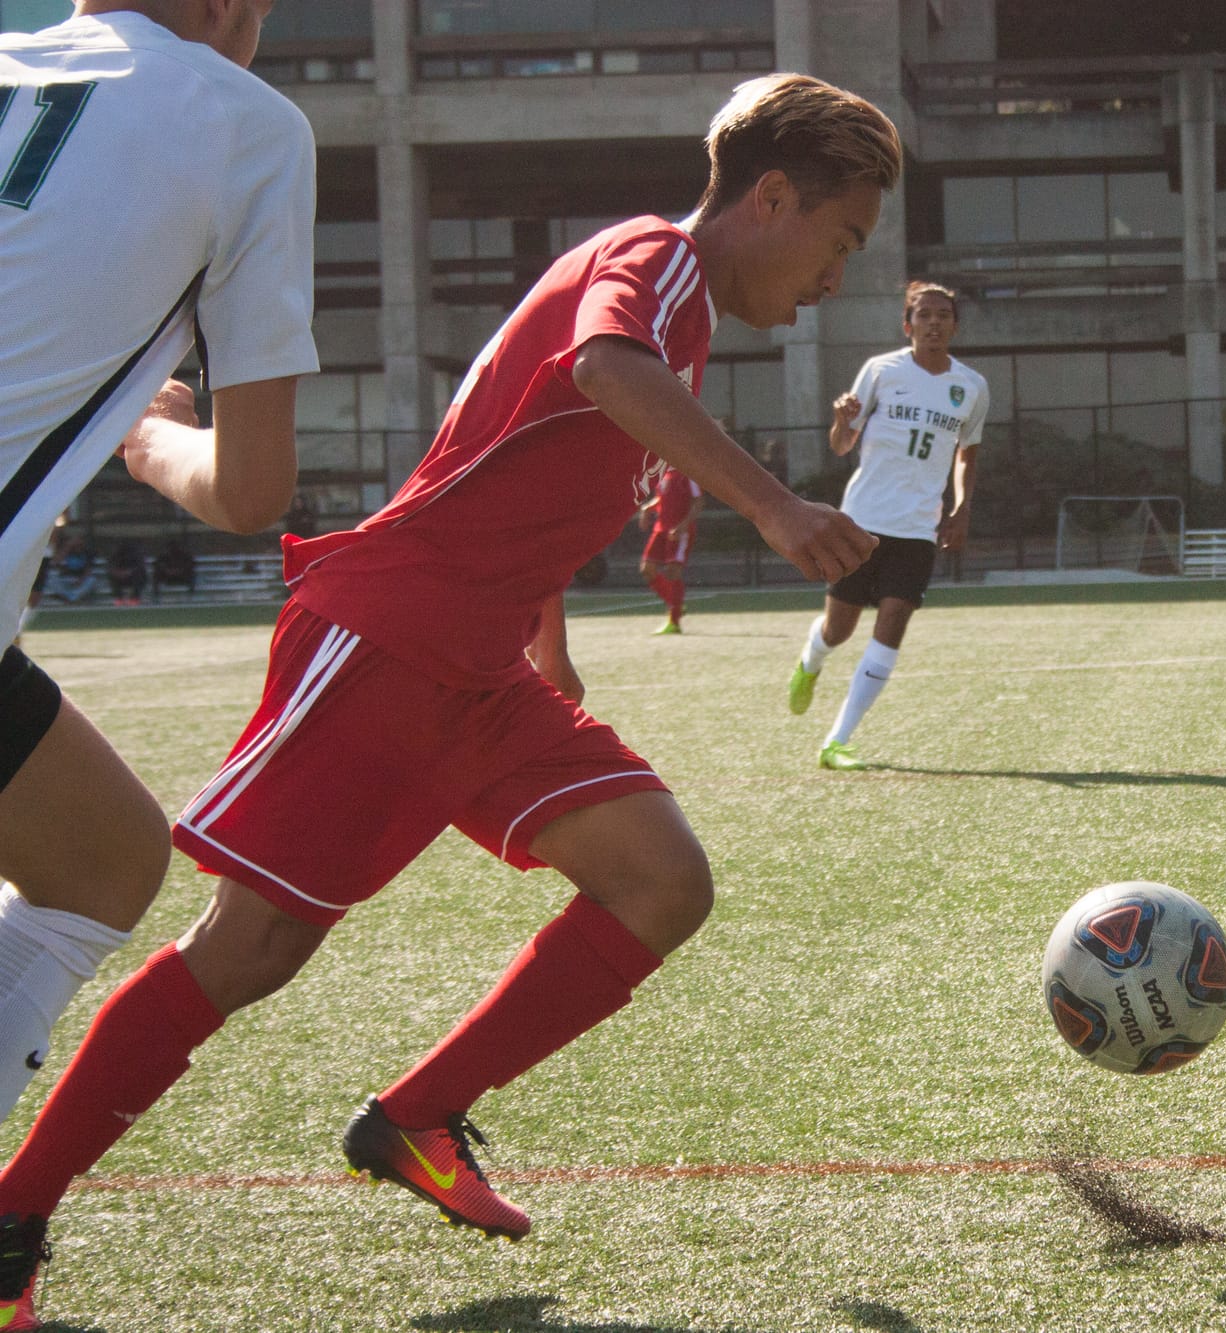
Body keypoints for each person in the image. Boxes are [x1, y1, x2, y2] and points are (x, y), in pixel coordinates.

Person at [0, 71, 897, 1327]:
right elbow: (599, 368)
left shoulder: (681, 314)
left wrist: (550, 642)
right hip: (384, 638)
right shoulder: (656, 261)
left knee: (661, 880)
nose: (834, 277)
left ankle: (414, 1116)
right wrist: (778, 504)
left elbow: (529, 461)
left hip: (477, 669)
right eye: (839, 241)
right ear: (773, 195)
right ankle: (13, 1215)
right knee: (251, 949)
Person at [0, 0, 314, 1178]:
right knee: (97, 871)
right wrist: (144, 437)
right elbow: (250, 490)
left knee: (102, 854)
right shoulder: (247, 126)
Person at [785, 281, 989, 770]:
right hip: (862, 522)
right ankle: (810, 661)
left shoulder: (972, 387)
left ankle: (838, 741)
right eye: (924, 315)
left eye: (943, 315)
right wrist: (840, 421)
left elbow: (968, 456)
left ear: (954, 326)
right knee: (839, 629)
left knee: (893, 622)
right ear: (908, 324)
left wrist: (961, 508)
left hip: (919, 527)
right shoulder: (881, 370)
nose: (934, 322)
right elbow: (841, 444)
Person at [638, 465, 704, 634]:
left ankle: (674, 622)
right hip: (660, 529)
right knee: (647, 569)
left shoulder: (688, 471)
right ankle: (676, 604)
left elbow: (698, 502)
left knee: (672, 571)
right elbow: (663, 498)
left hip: (679, 531)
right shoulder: (663, 472)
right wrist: (647, 508)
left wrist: (683, 526)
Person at [105, 542, 148, 606]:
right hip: (120, 578)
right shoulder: (115, 556)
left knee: (139, 576)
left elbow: (140, 567)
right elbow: (111, 567)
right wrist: (118, 572)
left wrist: (129, 572)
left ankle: (134, 598)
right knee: (112, 576)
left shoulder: (135, 556)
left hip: (133, 577)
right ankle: (119, 599)